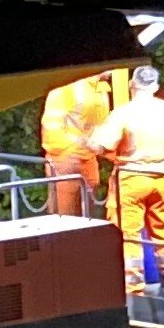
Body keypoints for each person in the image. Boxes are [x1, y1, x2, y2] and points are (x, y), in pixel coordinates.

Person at [103, 66, 164, 287]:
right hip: (160, 177)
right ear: (156, 87)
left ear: (132, 84)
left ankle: (133, 288)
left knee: (129, 233)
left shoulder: (123, 113)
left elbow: (102, 145)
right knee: (162, 227)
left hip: (132, 178)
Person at [40, 68, 123, 217]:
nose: (113, 72)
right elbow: (52, 125)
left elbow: (100, 123)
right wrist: (76, 145)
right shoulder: (67, 85)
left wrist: (101, 147)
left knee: (88, 214)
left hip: (88, 157)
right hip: (65, 157)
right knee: (64, 215)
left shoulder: (100, 87)